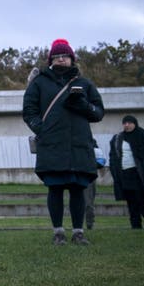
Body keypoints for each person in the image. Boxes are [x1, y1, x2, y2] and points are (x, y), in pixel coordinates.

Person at [22, 39, 104, 246]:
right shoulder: (39, 82)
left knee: (78, 189)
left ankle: (78, 232)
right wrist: (43, 130)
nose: (61, 60)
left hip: (79, 146)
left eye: (64, 56)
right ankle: (58, 232)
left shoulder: (85, 84)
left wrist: (81, 104)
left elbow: (98, 113)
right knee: (55, 189)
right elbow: (29, 111)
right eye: (57, 57)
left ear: (71, 59)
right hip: (52, 146)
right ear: (51, 60)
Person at [109, 114, 144, 229]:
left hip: (139, 175)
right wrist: (115, 173)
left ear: (135, 124)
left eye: (129, 122)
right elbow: (113, 157)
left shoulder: (143, 136)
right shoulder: (118, 138)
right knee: (131, 201)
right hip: (125, 175)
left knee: (142, 200)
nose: (126, 125)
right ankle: (135, 225)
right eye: (124, 123)